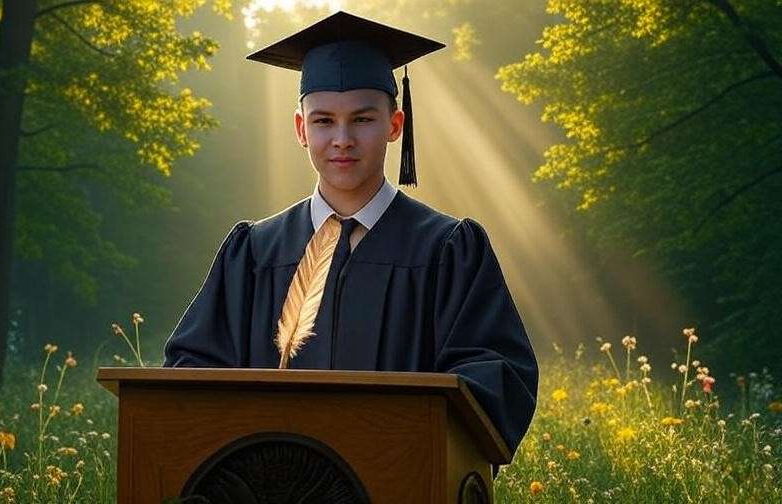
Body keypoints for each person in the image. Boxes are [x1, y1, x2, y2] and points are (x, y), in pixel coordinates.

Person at [163, 10, 538, 476]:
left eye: (362, 119)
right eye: (323, 121)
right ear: (301, 130)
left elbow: (496, 374)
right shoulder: (255, 253)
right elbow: (190, 374)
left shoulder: (448, 251)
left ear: (395, 125)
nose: (342, 140)